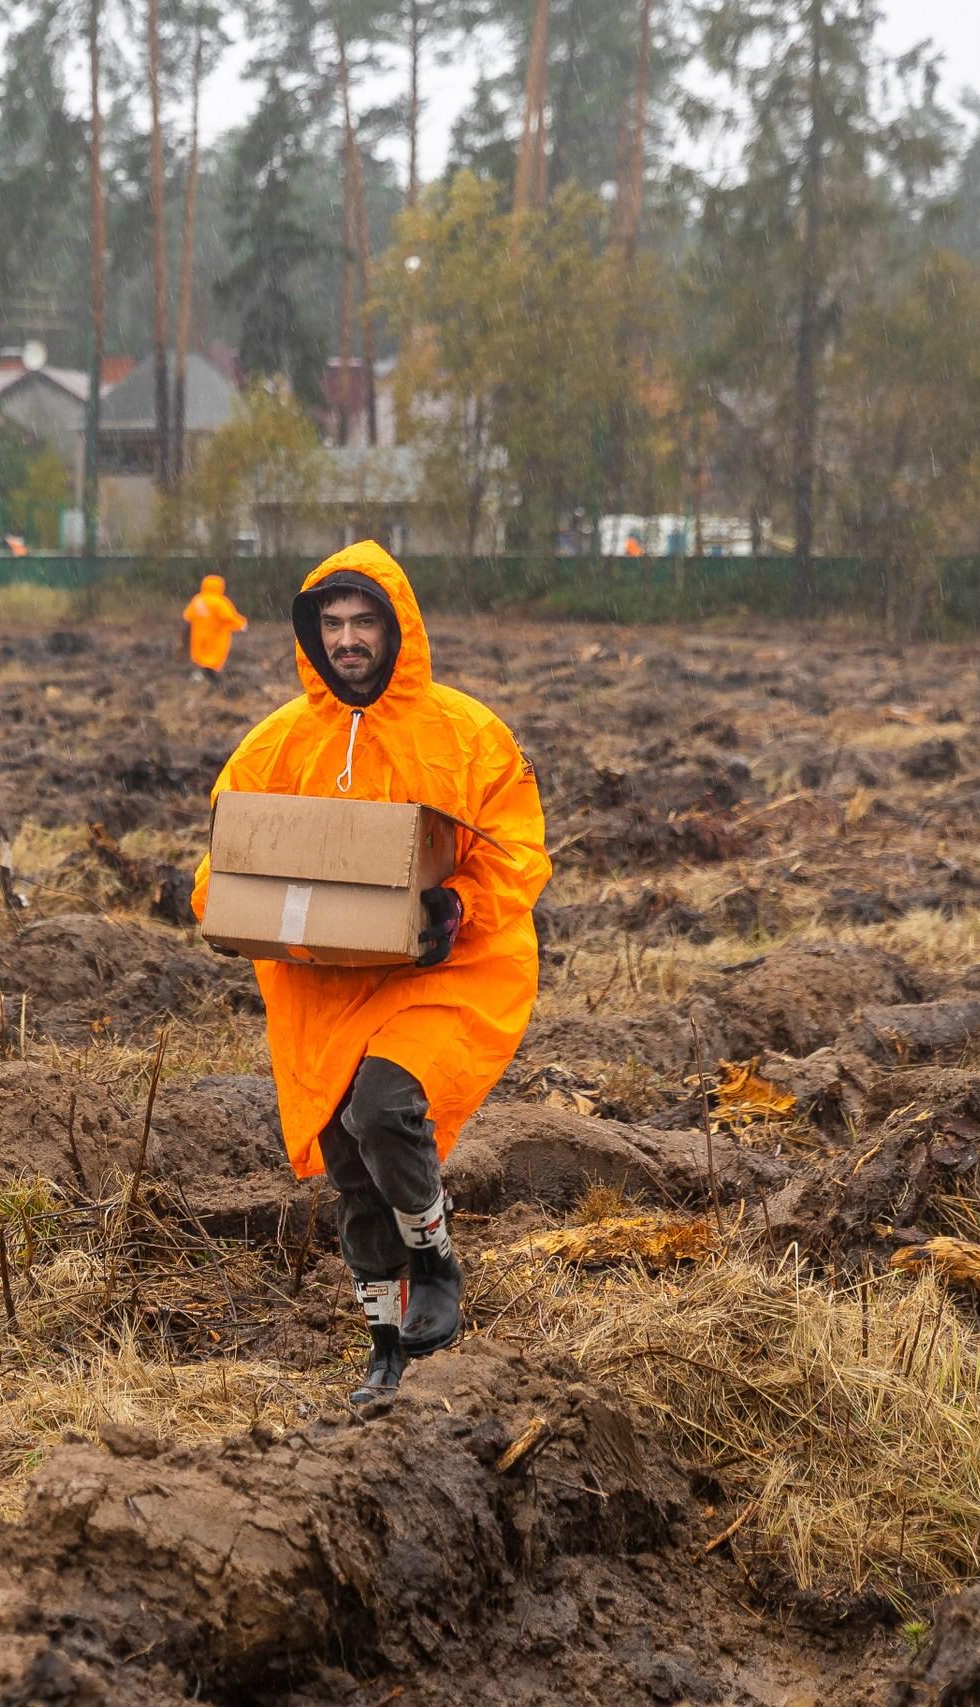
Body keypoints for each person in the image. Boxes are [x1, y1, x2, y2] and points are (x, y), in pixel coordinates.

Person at [191, 540, 549, 1415]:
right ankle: (386, 1349)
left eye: (364, 623)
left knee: (385, 1107)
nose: (348, 639)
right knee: (350, 1166)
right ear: (313, 634)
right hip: (323, 986)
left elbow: (519, 852)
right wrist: (227, 913)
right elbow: (227, 857)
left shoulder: (467, 735)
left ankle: (434, 1257)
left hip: (448, 970)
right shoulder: (276, 744)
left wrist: (455, 907)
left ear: (398, 630)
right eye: (333, 623)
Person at [183, 573, 247, 682]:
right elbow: (228, 617)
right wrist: (241, 624)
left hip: (198, 636)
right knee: (213, 656)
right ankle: (211, 677)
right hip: (215, 636)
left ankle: (201, 674)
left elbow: (187, 615)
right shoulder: (219, 602)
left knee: (200, 656)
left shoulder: (198, 599)